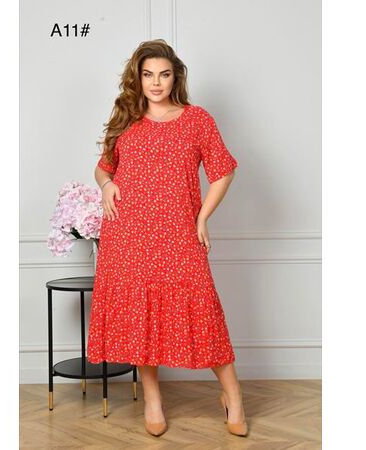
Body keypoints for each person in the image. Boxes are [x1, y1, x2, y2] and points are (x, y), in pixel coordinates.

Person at [87, 39, 248, 438]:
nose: (156, 83)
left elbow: (224, 170)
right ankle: (153, 399)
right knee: (142, 317)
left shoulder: (197, 120)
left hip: (178, 233)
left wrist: (202, 217)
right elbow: (104, 167)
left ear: (176, 77)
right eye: (148, 75)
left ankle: (233, 397)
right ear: (138, 78)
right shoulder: (127, 119)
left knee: (204, 312)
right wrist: (107, 185)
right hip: (129, 234)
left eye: (163, 75)